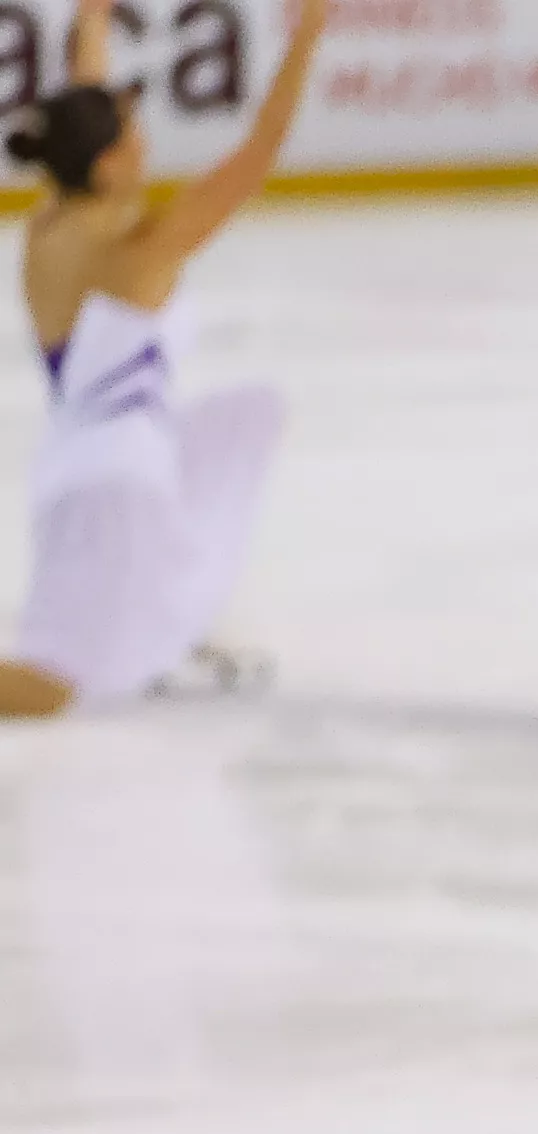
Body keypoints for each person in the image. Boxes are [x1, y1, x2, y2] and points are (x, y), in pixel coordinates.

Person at [4, 0, 322, 717]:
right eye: (135, 134)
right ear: (110, 162)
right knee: (49, 689)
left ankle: (153, 623)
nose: (146, 144)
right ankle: (141, 626)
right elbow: (256, 157)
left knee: (240, 421)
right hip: (111, 489)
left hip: (103, 463)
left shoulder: (59, 212)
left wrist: (92, 16)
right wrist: (307, 39)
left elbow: (83, 101)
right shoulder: (134, 251)